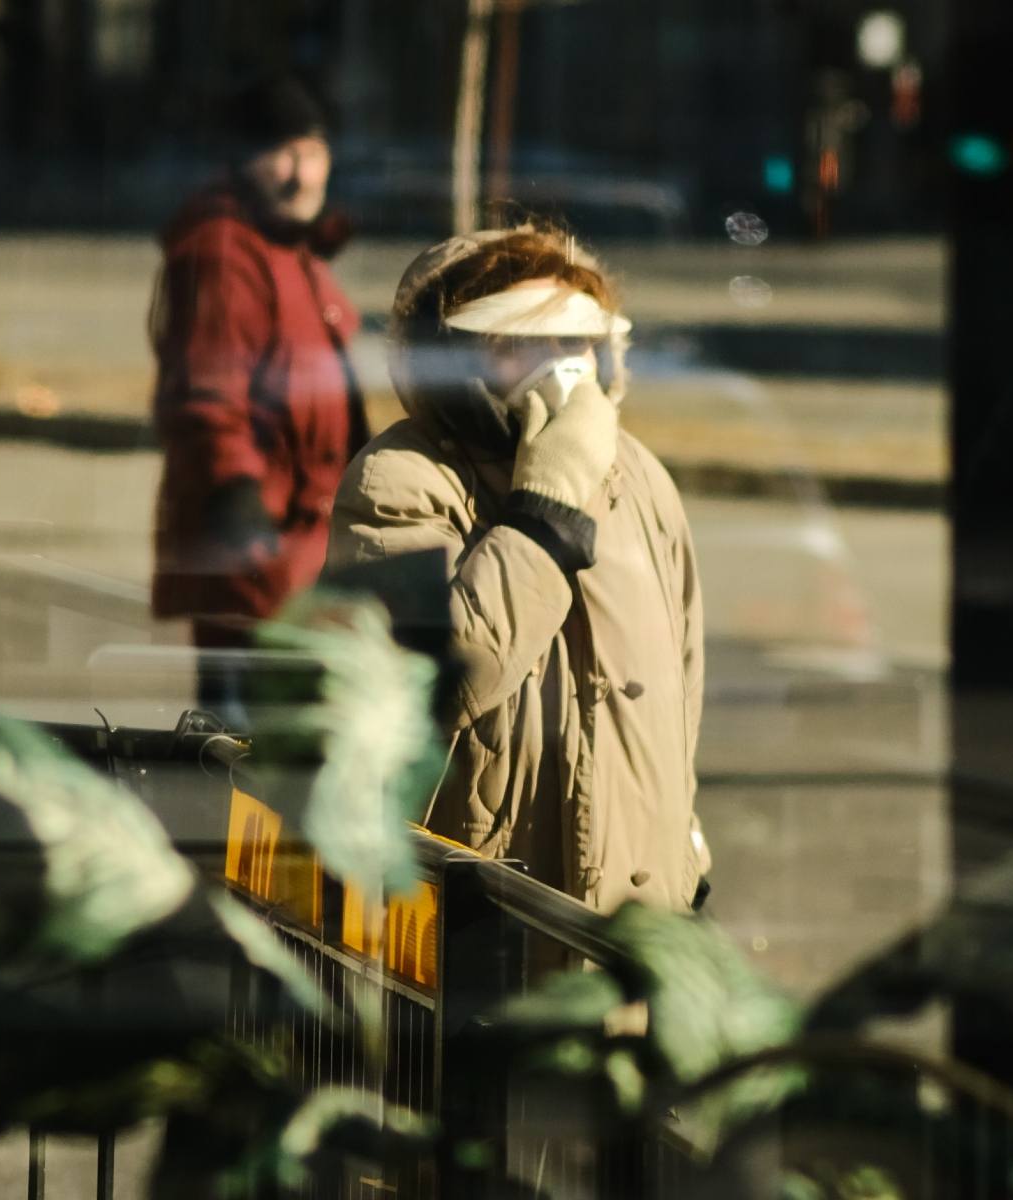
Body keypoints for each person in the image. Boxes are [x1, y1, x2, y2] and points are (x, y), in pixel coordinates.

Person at [325, 224, 711, 913]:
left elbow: (681, 687)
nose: (562, 365)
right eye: (521, 343)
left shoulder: (641, 479)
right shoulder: (400, 480)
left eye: (577, 341)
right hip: (488, 925)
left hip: (632, 926)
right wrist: (543, 515)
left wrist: (686, 857)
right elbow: (424, 687)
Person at [149, 75, 364, 727]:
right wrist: (242, 516)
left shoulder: (287, 246)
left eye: (314, 152)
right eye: (283, 155)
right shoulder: (225, 249)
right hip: (257, 566)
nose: (303, 175)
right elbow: (208, 395)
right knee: (249, 782)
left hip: (299, 561)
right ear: (243, 162)